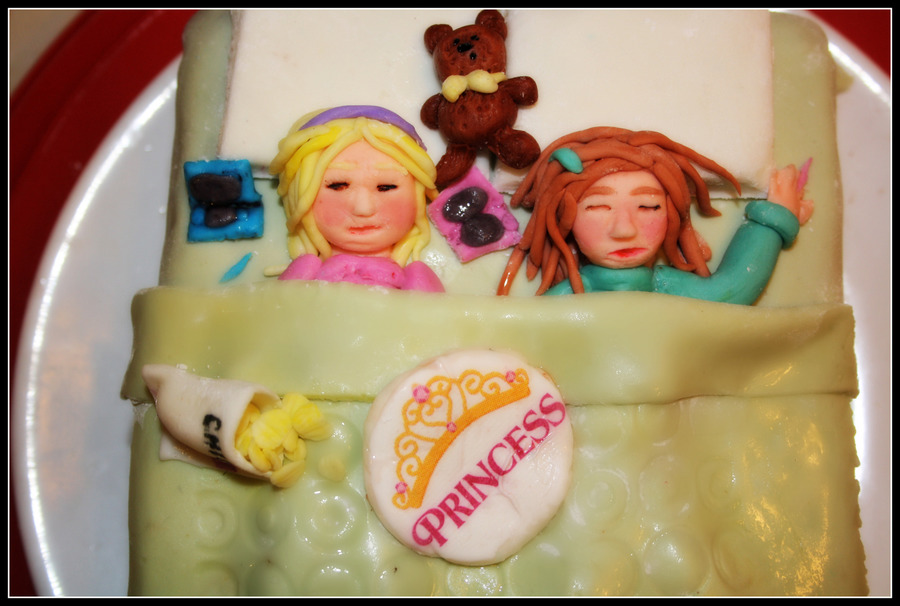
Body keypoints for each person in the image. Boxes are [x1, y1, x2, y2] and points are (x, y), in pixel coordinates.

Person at [496, 127, 813, 304]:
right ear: (563, 218)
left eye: (648, 206)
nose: (623, 230)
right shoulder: (566, 300)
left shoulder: (665, 286)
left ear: (673, 213)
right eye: (597, 207)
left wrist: (773, 219)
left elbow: (732, 291)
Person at [269, 105, 444, 292]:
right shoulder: (305, 272)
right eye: (337, 186)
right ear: (299, 194)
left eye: (386, 187)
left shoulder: (417, 279)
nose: (363, 208)